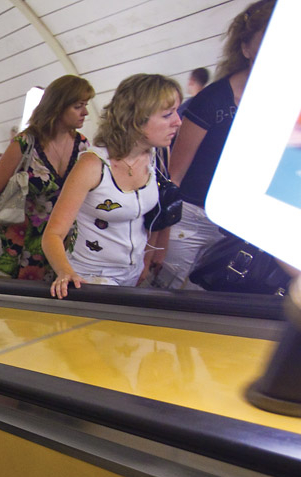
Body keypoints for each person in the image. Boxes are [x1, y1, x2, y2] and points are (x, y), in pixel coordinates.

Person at [163, 0, 276, 290]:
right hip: (191, 221)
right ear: (246, 48)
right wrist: (159, 236)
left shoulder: (283, 105)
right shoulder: (213, 100)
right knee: (170, 297)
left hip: (238, 226)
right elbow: (174, 175)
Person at [43, 74, 183, 298]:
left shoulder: (155, 156)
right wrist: (65, 273)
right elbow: (53, 234)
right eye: (167, 115)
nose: (178, 121)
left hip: (132, 272)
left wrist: (146, 260)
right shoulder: (92, 165)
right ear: (136, 119)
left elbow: (152, 215)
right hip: (91, 277)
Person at [0, 75, 95, 280]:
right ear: (58, 106)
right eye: (78, 106)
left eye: (86, 105)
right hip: (16, 243)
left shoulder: (83, 146)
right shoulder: (25, 143)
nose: (85, 113)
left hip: (59, 244)